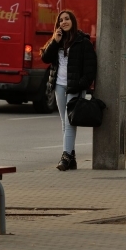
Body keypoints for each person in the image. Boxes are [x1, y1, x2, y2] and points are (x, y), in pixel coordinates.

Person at [40, 10, 97, 171]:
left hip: (75, 88)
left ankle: (65, 157)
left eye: (67, 19)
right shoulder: (57, 40)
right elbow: (45, 58)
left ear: (73, 21)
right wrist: (54, 41)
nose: (64, 22)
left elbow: (90, 67)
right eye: (61, 20)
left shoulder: (82, 42)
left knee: (70, 122)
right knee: (65, 123)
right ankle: (72, 159)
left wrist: (81, 84)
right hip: (59, 85)